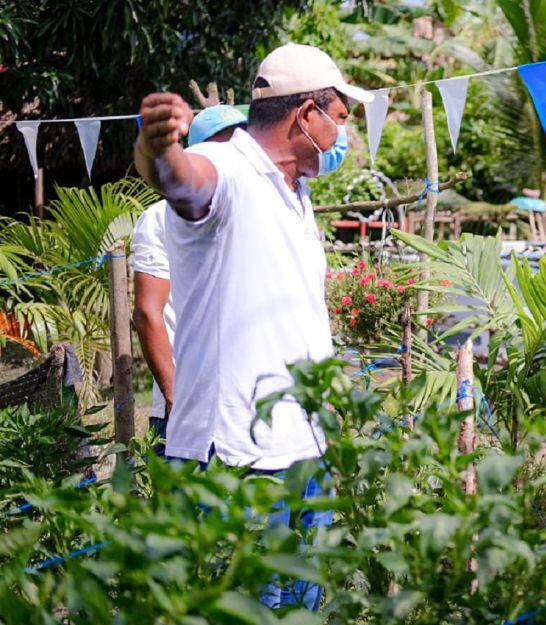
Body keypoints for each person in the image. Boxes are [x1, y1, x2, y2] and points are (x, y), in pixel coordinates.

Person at [133, 43, 373, 610]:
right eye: (339, 118)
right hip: (241, 461)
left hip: (302, 452)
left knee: (300, 612)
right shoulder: (233, 172)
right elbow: (183, 181)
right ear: (305, 114)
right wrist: (159, 146)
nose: (342, 135)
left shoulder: (294, 192)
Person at [132, 104, 248, 444]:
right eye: (225, 144)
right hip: (188, 403)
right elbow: (147, 313)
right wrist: (173, 395)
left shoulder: (249, 209)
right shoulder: (158, 217)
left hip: (247, 405)